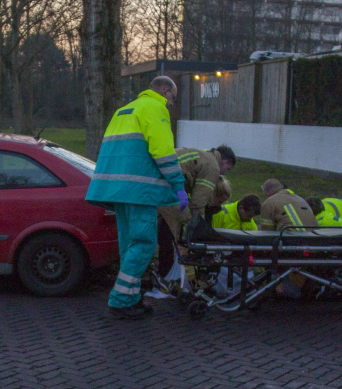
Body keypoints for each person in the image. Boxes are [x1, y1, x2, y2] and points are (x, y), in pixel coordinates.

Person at [86, 76, 186, 319]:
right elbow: (162, 152)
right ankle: (120, 300)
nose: (171, 104)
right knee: (143, 245)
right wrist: (178, 185)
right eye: (172, 98)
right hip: (139, 191)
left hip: (116, 189)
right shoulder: (155, 108)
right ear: (164, 90)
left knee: (130, 246)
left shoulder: (124, 110)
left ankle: (130, 297)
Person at [158, 145, 236, 242]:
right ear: (224, 162)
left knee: (155, 222)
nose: (224, 174)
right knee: (182, 218)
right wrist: (200, 229)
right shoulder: (213, 167)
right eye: (227, 169)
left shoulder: (203, 155)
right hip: (167, 184)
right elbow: (198, 202)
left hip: (157, 178)